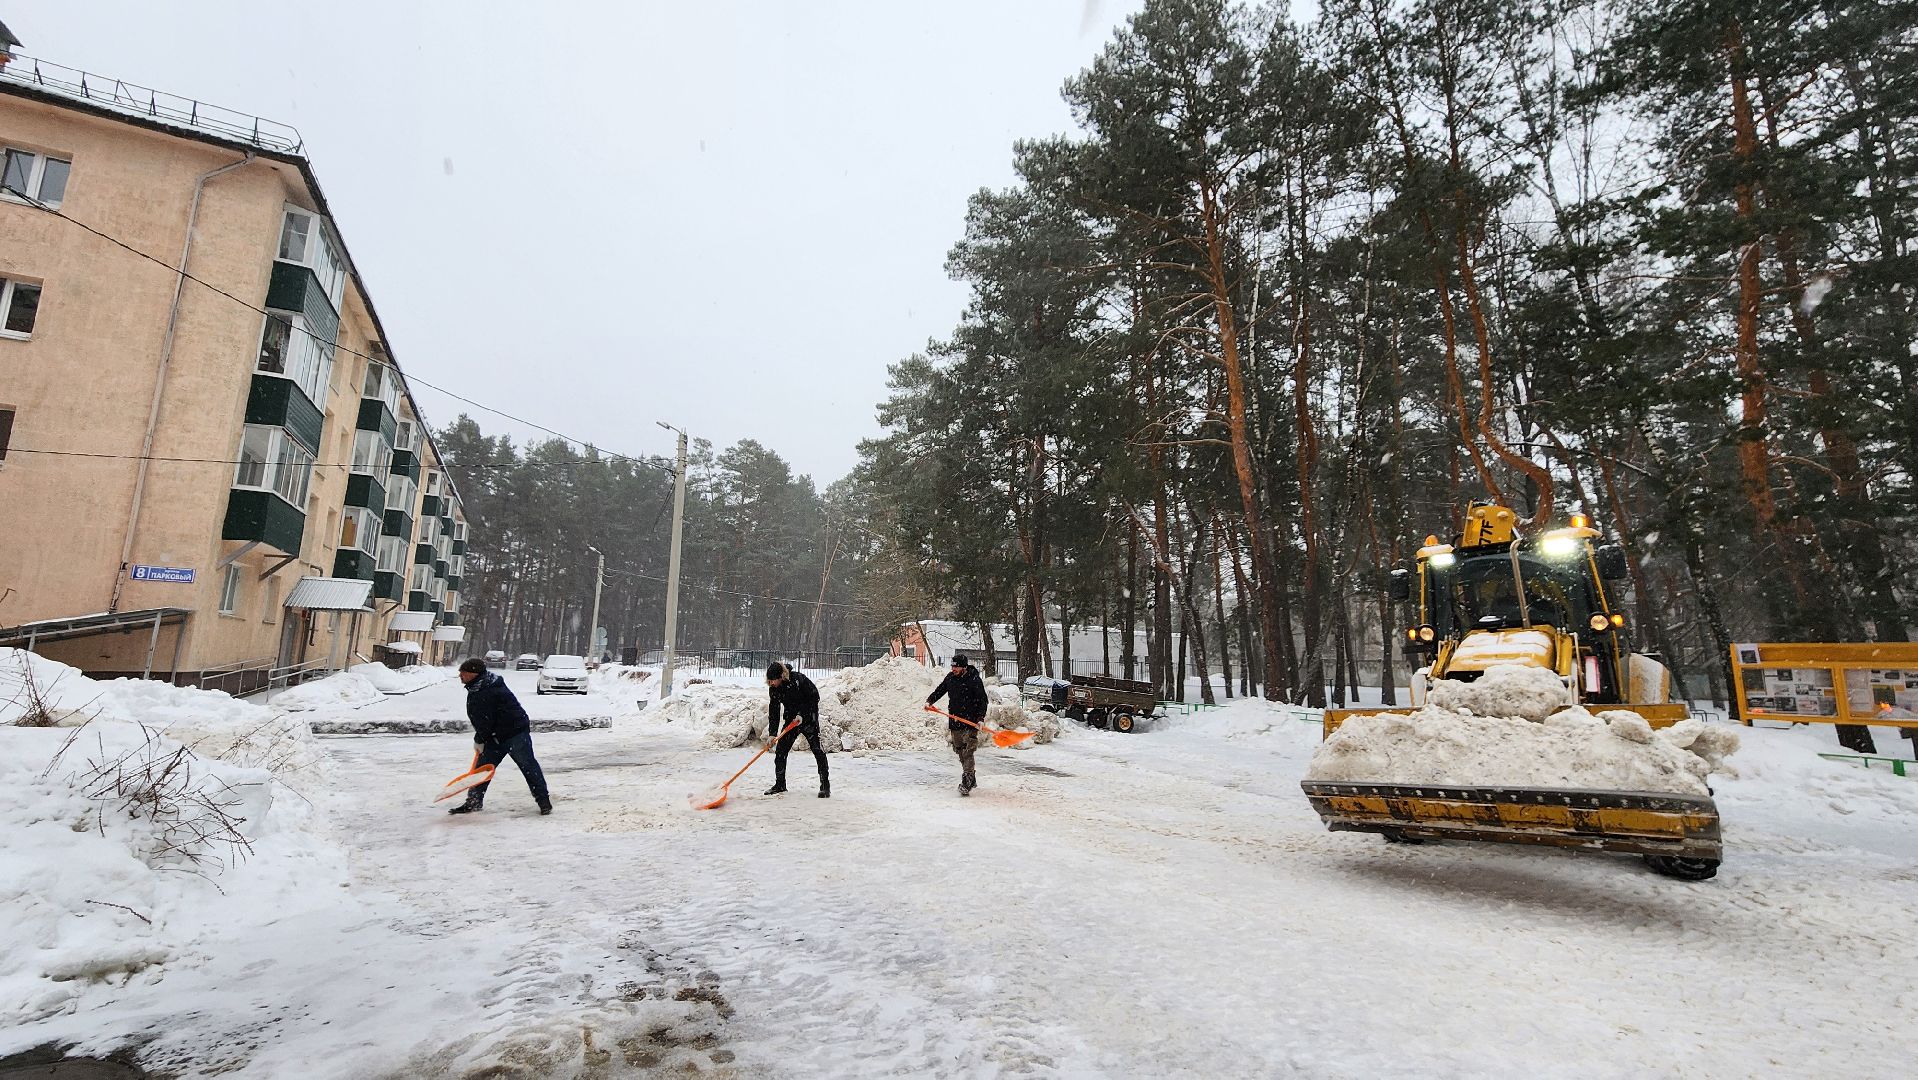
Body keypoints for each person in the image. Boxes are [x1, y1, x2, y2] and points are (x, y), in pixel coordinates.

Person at [449, 657, 552, 816]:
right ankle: (473, 802)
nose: (460, 676)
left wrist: (479, 740)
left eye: (463, 673)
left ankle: (544, 801)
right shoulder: (479, 686)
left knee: (528, 766)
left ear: (473, 673)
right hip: (494, 735)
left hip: (514, 734)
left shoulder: (488, 690)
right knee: (481, 770)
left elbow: (485, 720)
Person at [927, 653, 988, 796]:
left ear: (964, 667)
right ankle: (971, 776)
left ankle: (967, 780)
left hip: (970, 721)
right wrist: (930, 701)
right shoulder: (950, 678)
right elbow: (940, 690)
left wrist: (980, 718)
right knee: (960, 751)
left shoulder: (974, 680)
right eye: (952, 666)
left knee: (968, 751)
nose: (953, 669)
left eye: (956, 666)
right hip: (955, 721)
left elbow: (982, 700)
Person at [765, 661, 829, 798]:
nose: (771, 684)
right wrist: (772, 734)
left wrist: (802, 714)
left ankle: (825, 786)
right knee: (781, 750)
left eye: (773, 680)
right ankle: (780, 784)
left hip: (808, 718)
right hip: (791, 721)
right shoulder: (774, 689)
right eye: (768, 681)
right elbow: (774, 710)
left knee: (817, 749)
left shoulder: (798, 680)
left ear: (781, 676)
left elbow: (814, 697)